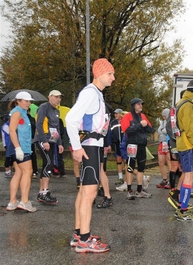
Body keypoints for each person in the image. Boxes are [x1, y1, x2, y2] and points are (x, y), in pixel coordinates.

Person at [66, 58, 114, 253]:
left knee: (84, 192)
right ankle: (85, 240)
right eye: (110, 73)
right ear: (99, 74)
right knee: (90, 193)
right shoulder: (91, 93)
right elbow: (70, 119)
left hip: (93, 145)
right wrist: (76, 147)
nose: (113, 78)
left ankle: (79, 235)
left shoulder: (96, 94)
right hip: (90, 147)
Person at [174, 80, 193, 221]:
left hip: (182, 144)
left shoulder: (180, 103)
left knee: (188, 175)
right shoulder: (189, 106)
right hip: (189, 146)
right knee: (189, 176)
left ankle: (182, 206)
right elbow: (191, 130)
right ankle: (183, 210)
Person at [5, 91, 36, 212]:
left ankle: (13, 202)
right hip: (21, 147)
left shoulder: (21, 112)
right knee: (28, 171)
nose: (28, 103)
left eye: (29, 101)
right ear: (18, 101)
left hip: (18, 147)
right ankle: (24, 201)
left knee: (18, 172)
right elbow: (12, 131)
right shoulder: (17, 112)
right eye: (26, 101)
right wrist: (18, 148)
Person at [33, 90, 64, 204]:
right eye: (56, 97)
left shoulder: (56, 111)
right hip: (43, 139)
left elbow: (57, 128)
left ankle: (42, 193)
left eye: (60, 97)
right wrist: (44, 140)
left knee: (48, 163)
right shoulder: (43, 107)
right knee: (49, 163)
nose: (58, 99)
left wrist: (60, 143)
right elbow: (39, 124)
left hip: (52, 140)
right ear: (49, 97)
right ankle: (44, 192)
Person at [120, 98, 153, 199]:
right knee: (130, 168)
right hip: (132, 145)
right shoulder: (127, 116)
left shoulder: (143, 116)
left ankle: (139, 190)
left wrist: (146, 125)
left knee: (141, 168)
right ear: (133, 105)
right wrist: (140, 125)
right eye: (138, 104)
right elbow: (126, 130)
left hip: (142, 145)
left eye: (141, 104)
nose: (140, 106)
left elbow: (151, 129)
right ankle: (129, 190)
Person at [156, 108, 172, 189]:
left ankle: (170, 181)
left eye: (165, 116)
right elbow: (159, 131)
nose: (164, 118)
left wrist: (163, 130)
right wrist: (162, 130)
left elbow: (167, 131)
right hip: (162, 143)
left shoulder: (171, 121)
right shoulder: (162, 122)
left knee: (169, 161)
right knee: (161, 162)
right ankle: (164, 179)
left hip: (168, 143)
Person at [110, 108, 125, 185]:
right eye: (115, 113)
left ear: (120, 114)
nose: (115, 115)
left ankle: (128, 178)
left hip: (124, 143)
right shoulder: (113, 122)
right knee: (118, 160)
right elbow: (110, 133)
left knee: (125, 161)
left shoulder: (125, 121)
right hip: (116, 144)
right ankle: (120, 177)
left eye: (117, 113)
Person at [27, 108, 38, 178]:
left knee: (26, 155)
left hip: (25, 139)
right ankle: (34, 171)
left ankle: (29, 170)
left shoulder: (22, 118)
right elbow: (35, 129)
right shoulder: (32, 119)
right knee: (33, 155)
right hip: (31, 139)